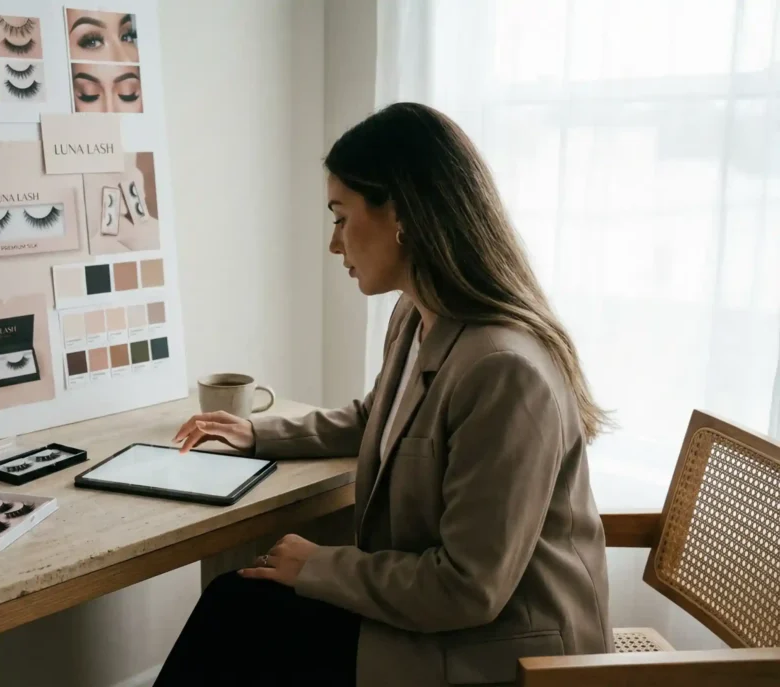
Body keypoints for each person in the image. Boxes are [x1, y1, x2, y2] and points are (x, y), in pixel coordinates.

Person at [155, 102, 614, 687]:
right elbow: (380, 418)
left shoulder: (503, 370)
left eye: (341, 217)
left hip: (505, 652)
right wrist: (258, 432)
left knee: (242, 620)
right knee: (237, 605)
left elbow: (467, 590)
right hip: (441, 620)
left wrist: (319, 566)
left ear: (400, 215)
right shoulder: (419, 317)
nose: (334, 244)